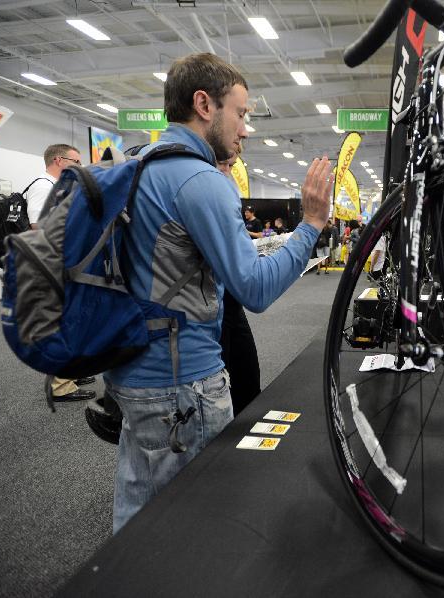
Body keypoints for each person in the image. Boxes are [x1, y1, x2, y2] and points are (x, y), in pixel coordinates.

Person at [103, 52, 332, 533]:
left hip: (132, 373)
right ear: (204, 104)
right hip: (183, 385)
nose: (246, 129)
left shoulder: (139, 164)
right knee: (198, 527)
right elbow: (256, 288)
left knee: (138, 510)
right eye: (242, 113)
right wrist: (310, 225)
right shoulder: (199, 179)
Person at [26, 144, 95, 403]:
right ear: (59, 160)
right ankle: (60, 384)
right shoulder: (44, 187)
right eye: (76, 161)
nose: (80, 165)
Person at [217, 149, 263, 414]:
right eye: (226, 165)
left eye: (232, 166)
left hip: (231, 301)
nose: (230, 172)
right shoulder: (200, 187)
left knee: (247, 378)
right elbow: (257, 292)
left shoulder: (223, 193)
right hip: (208, 306)